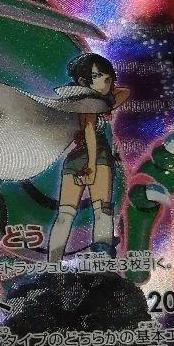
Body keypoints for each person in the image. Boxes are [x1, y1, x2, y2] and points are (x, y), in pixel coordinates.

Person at [46, 53, 130, 262]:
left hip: (75, 160)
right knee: (101, 211)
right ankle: (100, 260)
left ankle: (53, 262)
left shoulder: (86, 102)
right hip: (96, 156)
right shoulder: (87, 104)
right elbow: (90, 133)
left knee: (66, 215)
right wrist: (91, 166)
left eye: (108, 77)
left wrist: (104, 98)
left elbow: (124, 92)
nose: (106, 81)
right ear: (83, 81)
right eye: (99, 76)